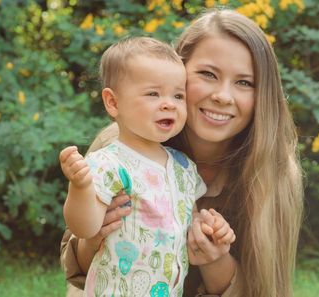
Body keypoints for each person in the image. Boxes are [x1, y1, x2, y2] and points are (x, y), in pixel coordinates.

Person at [61, 8, 303, 297]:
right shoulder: (120, 149)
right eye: (207, 74)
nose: (222, 96)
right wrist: (96, 237)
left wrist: (214, 259)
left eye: (244, 82)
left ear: (262, 95)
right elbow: (79, 273)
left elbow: (266, 289)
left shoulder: (272, 173)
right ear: (176, 70)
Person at [59, 37, 235, 297]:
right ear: (113, 103)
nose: (168, 103)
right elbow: (85, 228)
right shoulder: (109, 163)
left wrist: (210, 227)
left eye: (178, 95)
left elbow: (188, 220)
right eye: (153, 94)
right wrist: (80, 187)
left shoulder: (183, 166)